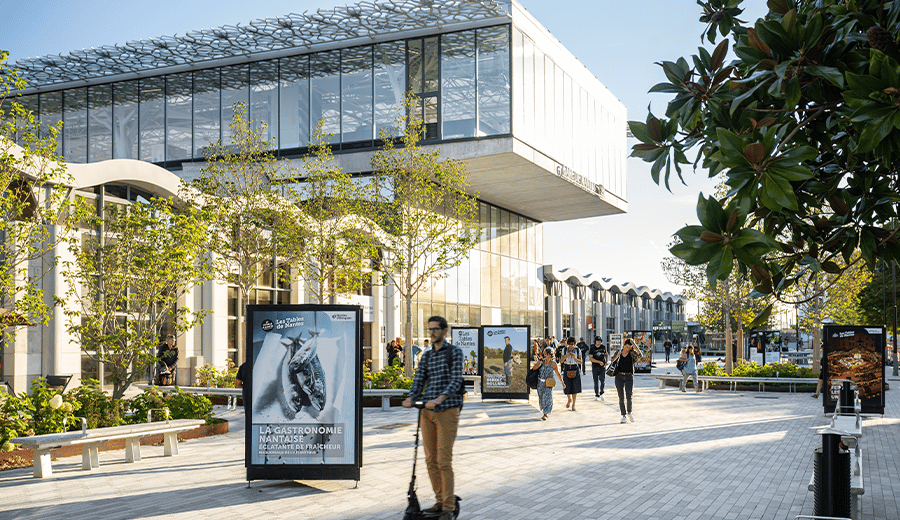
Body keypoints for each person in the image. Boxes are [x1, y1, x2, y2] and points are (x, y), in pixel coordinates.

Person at [402, 316, 463, 520]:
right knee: (430, 460)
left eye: (435, 329)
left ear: (445, 331)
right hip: (427, 412)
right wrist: (411, 397)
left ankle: (448, 507)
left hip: (447, 410)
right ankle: (439, 501)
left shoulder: (454, 352)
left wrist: (440, 398)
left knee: (443, 460)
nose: (432, 333)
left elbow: (456, 380)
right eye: (429, 329)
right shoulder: (427, 356)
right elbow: (419, 378)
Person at [612, 338, 640, 423]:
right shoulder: (619, 352)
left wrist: (634, 345)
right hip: (619, 376)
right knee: (621, 397)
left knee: (629, 396)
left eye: (629, 347)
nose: (627, 349)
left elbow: (640, 355)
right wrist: (617, 356)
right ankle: (623, 415)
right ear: (624, 345)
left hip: (629, 377)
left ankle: (630, 413)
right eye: (626, 347)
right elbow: (612, 361)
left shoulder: (632, 354)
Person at [533, 346, 564, 420]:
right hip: (540, 383)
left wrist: (562, 382)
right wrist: (539, 364)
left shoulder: (553, 364)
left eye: (546, 354)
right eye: (545, 354)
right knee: (542, 398)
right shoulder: (541, 362)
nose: (545, 356)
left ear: (550, 355)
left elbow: (558, 373)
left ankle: (545, 413)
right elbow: (534, 368)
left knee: (548, 397)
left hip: (549, 383)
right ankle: (544, 410)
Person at [560, 337, 582, 411]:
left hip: (575, 368)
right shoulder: (564, 349)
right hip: (567, 367)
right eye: (569, 344)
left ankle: (573, 404)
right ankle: (569, 399)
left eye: (572, 344)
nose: (571, 345)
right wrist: (566, 355)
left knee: (575, 387)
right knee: (566, 385)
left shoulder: (577, 350)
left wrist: (575, 358)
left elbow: (581, 362)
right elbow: (561, 361)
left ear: (575, 344)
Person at [588, 336, 607, 401]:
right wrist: (598, 362)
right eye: (598, 341)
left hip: (602, 367)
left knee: (602, 380)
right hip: (595, 367)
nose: (599, 342)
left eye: (600, 341)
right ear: (595, 341)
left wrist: (606, 361)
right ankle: (596, 394)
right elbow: (590, 358)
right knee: (596, 381)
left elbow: (606, 354)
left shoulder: (603, 347)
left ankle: (602, 393)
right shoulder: (592, 348)